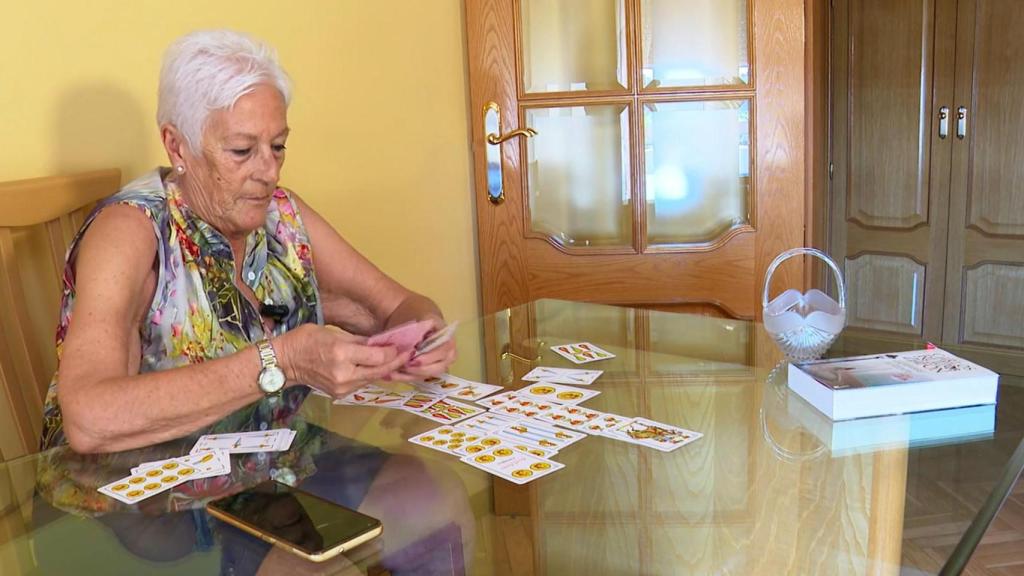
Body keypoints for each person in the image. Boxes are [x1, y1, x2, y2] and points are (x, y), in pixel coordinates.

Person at [33, 29, 471, 575]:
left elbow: (400, 303)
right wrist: (280, 361)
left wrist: (423, 335)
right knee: (312, 568)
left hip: (266, 467)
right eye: (242, 150)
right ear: (177, 146)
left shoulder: (283, 215)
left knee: (432, 497)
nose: (269, 170)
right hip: (141, 506)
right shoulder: (130, 231)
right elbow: (89, 419)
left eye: (278, 145)